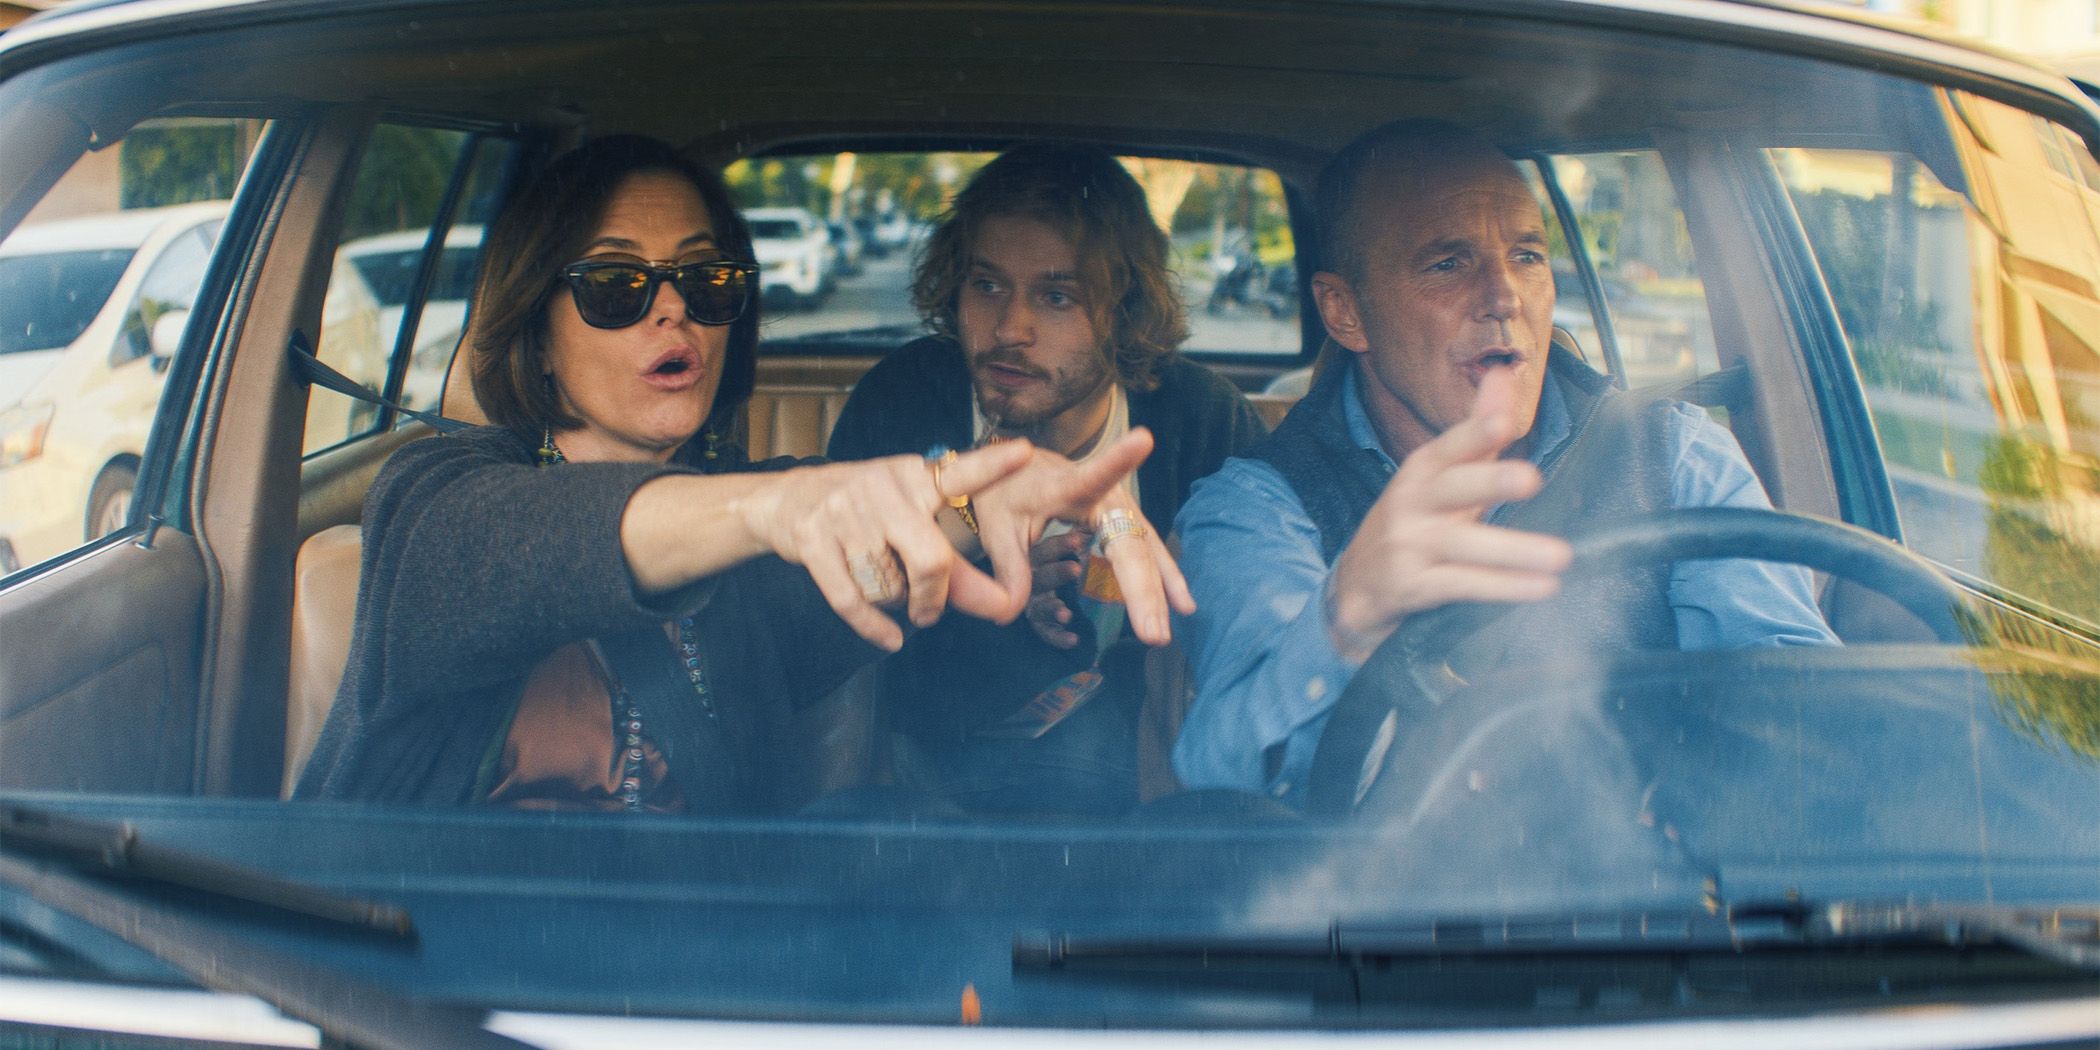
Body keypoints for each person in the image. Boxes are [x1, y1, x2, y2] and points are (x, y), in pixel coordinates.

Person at [295, 135, 1190, 812]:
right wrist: (785, 503)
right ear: (537, 327)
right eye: (616, 285)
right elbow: (527, 544)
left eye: (706, 279)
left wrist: (980, 492)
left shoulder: (753, 571)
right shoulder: (438, 505)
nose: (673, 306)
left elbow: (869, 547)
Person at [1171, 120, 1835, 807]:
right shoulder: (1256, 506)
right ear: (1345, 313)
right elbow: (1230, 790)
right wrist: (1346, 618)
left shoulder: (1678, 458)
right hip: (1366, 907)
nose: (1504, 297)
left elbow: (1804, 729)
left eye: (1527, 255)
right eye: (1447, 264)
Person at [826, 143, 1266, 815]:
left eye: (1057, 296)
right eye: (987, 285)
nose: (1010, 328)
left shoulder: (1201, 418)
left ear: (1124, 311)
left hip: (1132, 777)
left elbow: (1247, 622)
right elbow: (836, 618)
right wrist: (981, 550)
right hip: (936, 773)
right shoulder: (902, 400)